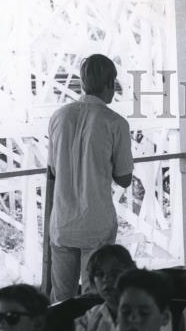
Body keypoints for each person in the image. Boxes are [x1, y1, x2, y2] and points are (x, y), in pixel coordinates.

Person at [47, 53, 134, 302]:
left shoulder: (59, 117)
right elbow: (124, 178)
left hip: (62, 222)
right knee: (94, 296)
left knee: (61, 298)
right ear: (110, 83)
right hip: (96, 223)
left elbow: (53, 169)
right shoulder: (115, 122)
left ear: (83, 83)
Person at [73, 243, 173, 331]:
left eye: (115, 273)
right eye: (99, 274)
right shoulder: (92, 316)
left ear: (131, 273)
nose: (106, 279)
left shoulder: (154, 312)